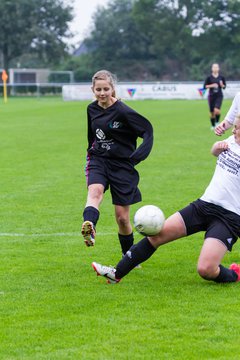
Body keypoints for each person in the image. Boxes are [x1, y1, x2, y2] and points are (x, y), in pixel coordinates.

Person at [92, 115, 240, 284]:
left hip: (229, 217)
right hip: (203, 205)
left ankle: (235, 275)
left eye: (237, 128)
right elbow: (215, 151)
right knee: (157, 235)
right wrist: (217, 147)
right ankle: (116, 274)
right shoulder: (232, 141)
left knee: (206, 270)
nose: (233, 130)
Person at [81, 70, 153, 260]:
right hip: (99, 160)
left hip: (122, 165)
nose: (102, 93)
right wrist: (91, 150)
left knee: (122, 218)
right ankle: (89, 225)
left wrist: (138, 156)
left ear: (113, 89)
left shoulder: (123, 111)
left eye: (106, 89)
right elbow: (91, 134)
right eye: (98, 89)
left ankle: (127, 256)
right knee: (94, 192)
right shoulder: (91, 109)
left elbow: (147, 130)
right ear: (93, 90)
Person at [203, 63, 226, 130]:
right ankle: (213, 125)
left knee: (217, 110)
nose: (215, 68)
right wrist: (212, 85)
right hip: (211, 96)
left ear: (218, 69)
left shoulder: (221, 77)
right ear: (212, 69)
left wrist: (222, 85)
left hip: (219, 96)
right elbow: (204, 86)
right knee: (212, 112)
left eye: (216, 67)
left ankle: (217, 122)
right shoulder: (209, 78)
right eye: (214, 67)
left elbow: (224, 87)